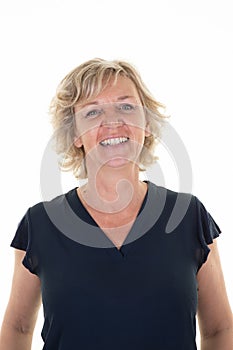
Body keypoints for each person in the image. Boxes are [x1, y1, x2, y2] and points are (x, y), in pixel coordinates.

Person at [0, 58, 232, 350]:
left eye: (126, 106)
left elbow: (219, 328)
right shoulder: (41, 223)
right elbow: (17, 327)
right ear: (74, 134)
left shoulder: (187, 216)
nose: (112, 121)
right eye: (93, 111)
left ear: (146, 123)